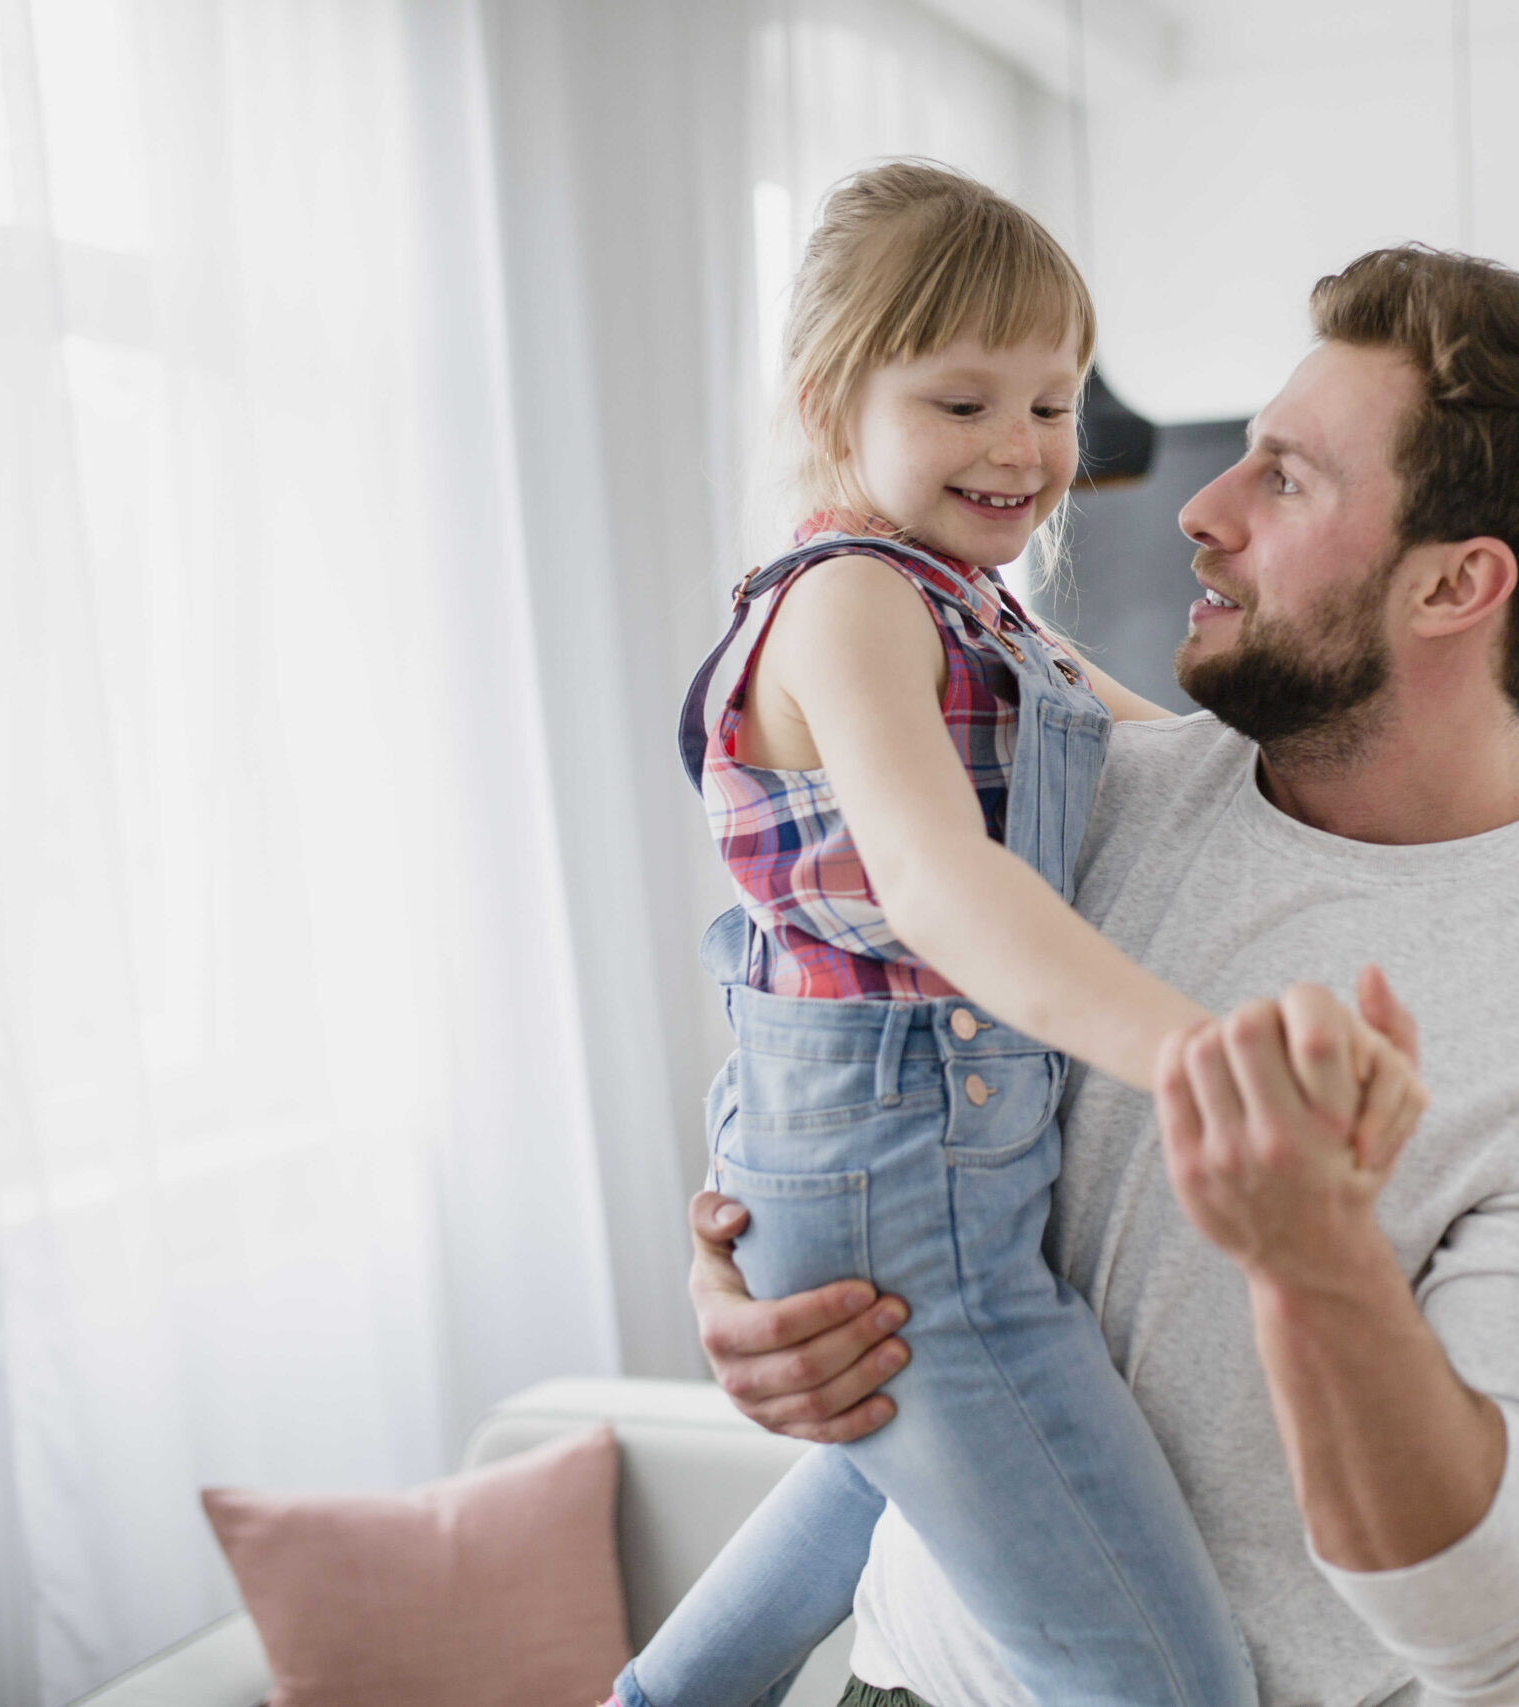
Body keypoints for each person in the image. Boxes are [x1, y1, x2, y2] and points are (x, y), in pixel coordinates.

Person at [685, 244, 1519, 1707]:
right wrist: (753, 1260)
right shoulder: (1095, 794)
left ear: (1456, 584)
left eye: (1285, 479)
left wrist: (1320, 1270)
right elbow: (830, 993)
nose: (1198, 513)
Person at [609, 163, 1423, 1707]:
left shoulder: (985, 614)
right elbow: (938, 886)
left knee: (875, 1477)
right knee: (1170, 1685)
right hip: (898, 1179)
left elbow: (1190, 772)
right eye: (963, 402)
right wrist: (1201, 1057)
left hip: (935, 1164)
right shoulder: (850, 600)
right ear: (832, 399)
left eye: (1052, 406)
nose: (1021, 449)